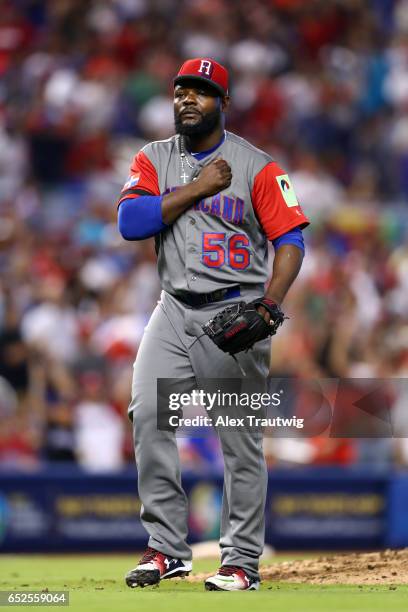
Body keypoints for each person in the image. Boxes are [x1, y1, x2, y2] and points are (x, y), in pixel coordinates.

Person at [117, 58, 309, 591]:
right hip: (173, 308)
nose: (187, 99)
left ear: (223, 103)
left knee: (239, 440)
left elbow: (291, 240)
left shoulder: (257, 166)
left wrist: (270, 303)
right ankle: (166, 550)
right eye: (181, 90)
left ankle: (241, 561)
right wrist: (198, 188)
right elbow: (130, 222)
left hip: (234, 311)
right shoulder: (153, 157)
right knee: (148, 412)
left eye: (201, 92)